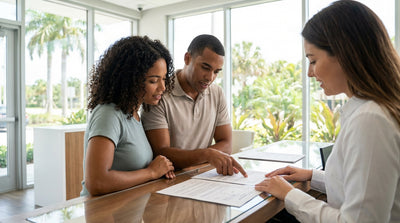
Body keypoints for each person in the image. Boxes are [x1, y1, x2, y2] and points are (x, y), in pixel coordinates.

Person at [255, 1, 400, 222]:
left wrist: (290, 194)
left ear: (345, 54)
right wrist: (313, 177)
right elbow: (363, 184)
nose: (309, 73)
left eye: (313, 60)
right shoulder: (371, 110)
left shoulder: (370, 119)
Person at [81, 36, 176, 196]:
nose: (162, 87)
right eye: (153, 81)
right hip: (102, 213)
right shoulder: (108, 114)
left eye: (164, 79)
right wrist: (151, 172)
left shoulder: (134, 115)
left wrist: (160, 170)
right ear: (131, 79)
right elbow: (96, 182)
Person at [141, 34, 247, 177]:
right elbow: (161, 152)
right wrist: (207, 155)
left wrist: (204, 157)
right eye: (205, 67)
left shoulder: (217, 93)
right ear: (187, 58)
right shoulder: (159, 94)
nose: (210, 78)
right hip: (169, 179)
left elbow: (226, 143)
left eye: (216, 72)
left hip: (202, 175)